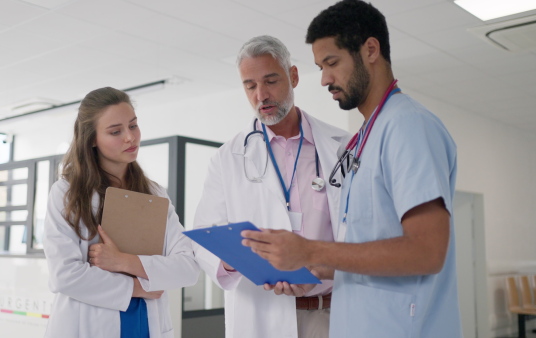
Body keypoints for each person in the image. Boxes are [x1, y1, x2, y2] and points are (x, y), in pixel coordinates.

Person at [242, 1, 462, 337]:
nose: (325, 79)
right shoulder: (363, 139)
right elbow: (374, 243)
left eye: (332, 63)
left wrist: (310, 249)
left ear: (370, 50)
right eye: (320, 67)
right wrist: (324, 269)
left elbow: (427, 251)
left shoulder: (407, 126)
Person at [193, 35, 350, 338]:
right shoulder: (228, 158)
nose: (260, 95)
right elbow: (205, 237)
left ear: (293, 76)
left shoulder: (341, 147)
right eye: (250, 86)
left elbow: (359, 231)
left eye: (270, 81)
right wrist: (231, 259)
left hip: (330, 313)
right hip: (262, 315)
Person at [43, 87, 199, 338]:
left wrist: (123, 262)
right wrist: (137, 287)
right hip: (88, 325)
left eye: (133, 126)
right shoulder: (67, 193)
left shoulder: (155, 194)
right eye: (116, 131)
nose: (130, 137)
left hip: (148, 325)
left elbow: (188, 268)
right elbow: (64, 276)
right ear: (92, 138)